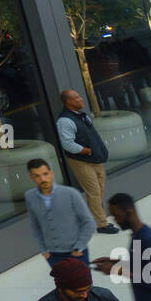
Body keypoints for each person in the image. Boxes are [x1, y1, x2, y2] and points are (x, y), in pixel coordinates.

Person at [56, 90, 117, 236]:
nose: (80, 99)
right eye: (76, 98)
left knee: (100, 190)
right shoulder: (65, 121)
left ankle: (93, 218)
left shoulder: (81, 116)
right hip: (81, 162)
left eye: (79, 96)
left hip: (95, 160)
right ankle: (101, 224)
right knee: (94, 192)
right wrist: (87, 151)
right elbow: (67, 144)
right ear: (68, 101)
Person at [24, 158, 94, 268]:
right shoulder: (30, 196)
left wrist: (78, 247)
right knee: (62, 285)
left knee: (83, 285)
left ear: (51, 173)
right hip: (52, 255)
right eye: (37, 176)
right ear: (31, 177)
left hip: (76, 252)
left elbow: (89, 222)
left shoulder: (71, 193)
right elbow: (35, 226)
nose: (43, 179)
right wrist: (44, 251)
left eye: (45, 174)